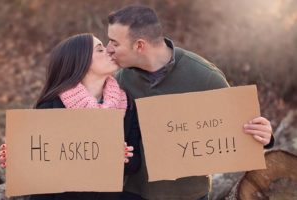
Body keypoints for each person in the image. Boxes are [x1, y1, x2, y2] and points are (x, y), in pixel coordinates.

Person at [105, 5, 274, 200]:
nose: (108, 49)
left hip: (189, 196)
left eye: (114, 43)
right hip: (133, 193)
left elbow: (239, 132)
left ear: (140, 45)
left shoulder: (205, 77)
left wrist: (264, 135)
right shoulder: (120, 80)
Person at [0, 33, 142, 200]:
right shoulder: (51, 106)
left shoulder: (126, 104)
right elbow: (40, 163)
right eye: (100, 49)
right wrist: (17, 158)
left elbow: (135, 162)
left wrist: (121, 158)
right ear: (80, 61)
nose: (109, 51)